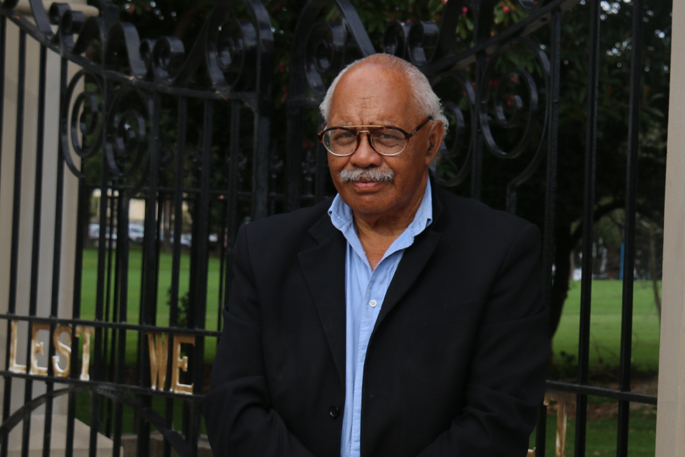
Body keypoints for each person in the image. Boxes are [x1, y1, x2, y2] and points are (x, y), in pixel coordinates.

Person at [201, 53, 549, 457]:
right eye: (344, 136)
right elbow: (232, 407)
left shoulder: (499, 251)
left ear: (431, 141)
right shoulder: (265, 250)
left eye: (386, 136)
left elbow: (498, 421)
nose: (362, 157)